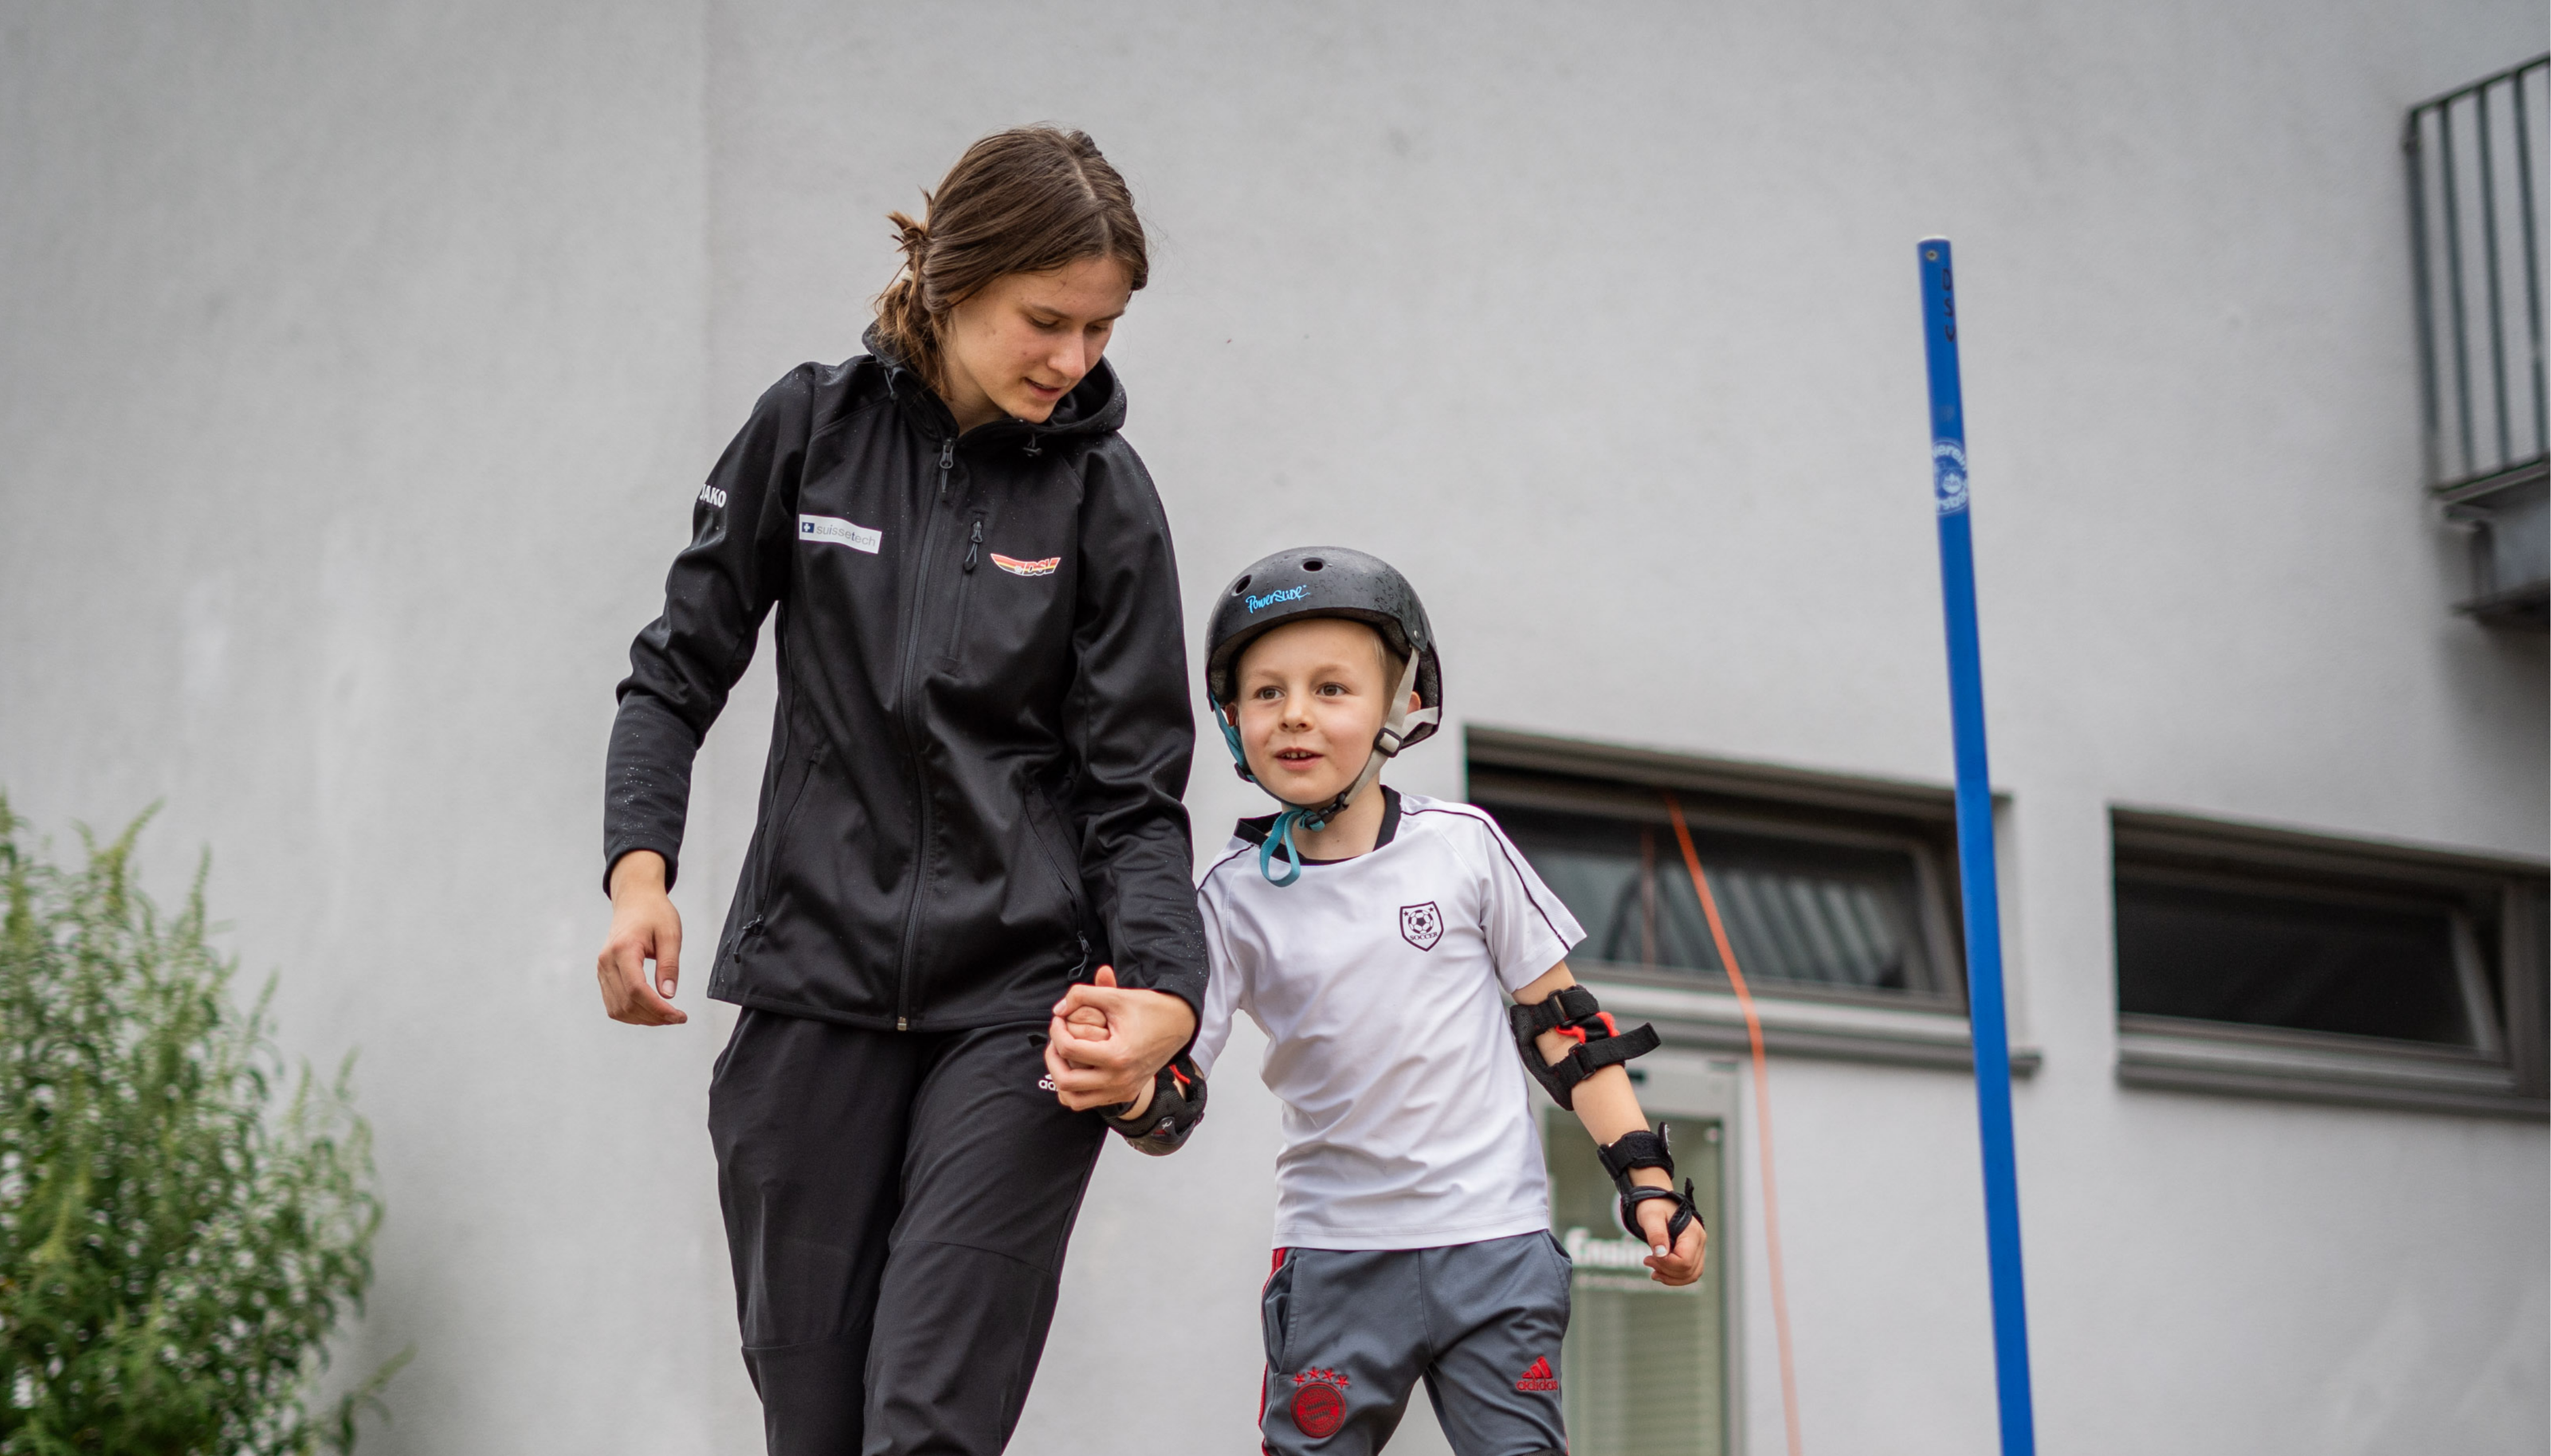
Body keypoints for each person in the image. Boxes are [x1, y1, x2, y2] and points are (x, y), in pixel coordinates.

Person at [593, 126, 1208, 1455]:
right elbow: (672, 672)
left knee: (926, 1423)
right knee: (813, 1430)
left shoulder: (1104, 499)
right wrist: (638, 874)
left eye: (1100, 331)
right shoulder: (807, 430)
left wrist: (1167, 989)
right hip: (807, 993)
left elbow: (1134, 791)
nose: (1074, 361)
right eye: (1047, 321)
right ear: (949, 276)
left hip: (1018, 1008)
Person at [1077, 547, 1708, 1455]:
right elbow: (1173, 1099)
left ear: (1403, 706)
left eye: (1333, 689)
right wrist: (1124, 1081)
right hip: (1335, 1259)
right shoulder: (1228, 895)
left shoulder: (1464, 849)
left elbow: (1569, 1034)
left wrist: (1648, 1187)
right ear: (1230, 719)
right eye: (1266, 693)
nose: (1295, 714)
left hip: (1495, 1248)